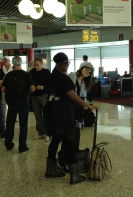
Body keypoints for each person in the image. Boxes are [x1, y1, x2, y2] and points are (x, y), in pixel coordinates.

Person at [45, 52, 99, 185]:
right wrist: (87, 105)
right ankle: (74, 175)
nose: (66, 66)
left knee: (56, 139)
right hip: (65, 111)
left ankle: (50, 169)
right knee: (69, 140)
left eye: (67, 63)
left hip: (58, 110)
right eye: (63, 64)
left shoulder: (55, 74)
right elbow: (72, 96)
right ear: (57, 64)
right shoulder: (62, 78)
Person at [57, 62, 94, 172]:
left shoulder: (85, 83)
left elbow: (84, 98)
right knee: (68, 136)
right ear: (82, 68)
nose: (87, 72)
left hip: (78, 112)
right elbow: (70, 94)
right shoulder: (72, 76)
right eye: (87, 69)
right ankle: (64, 160)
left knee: (75, 135)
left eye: (90, 71)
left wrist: (85, 105)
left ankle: (72, 159)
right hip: (68, 110)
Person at [2, 56, 35, 152]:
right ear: (21, 63)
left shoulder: (9, 75)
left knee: (10, 124)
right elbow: (32, 89)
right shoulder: (27, 75)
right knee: (23, 125)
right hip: (23, 103)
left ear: (13, 63)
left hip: (11, 104)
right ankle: (22, 146)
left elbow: (3, 90)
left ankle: (8, 144)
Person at [29, 58, 51, 142]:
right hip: (34, 96)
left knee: (46, 114)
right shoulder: (31, 72)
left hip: (44, 95)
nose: (35, 67)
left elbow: (50, 84)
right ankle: (40, 132)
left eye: (37, 65)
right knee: (37, 115)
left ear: (42, 64)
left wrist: (42, 87)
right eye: (34, 65)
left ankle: (47, 133)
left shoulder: (46, 72)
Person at [1, 56, 13, 122]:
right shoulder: (1, 69)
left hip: (12, 87)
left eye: (6, 60)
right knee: (4, 102)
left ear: (9, 61)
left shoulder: (13, 68)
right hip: (4, 86)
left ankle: (14, 117)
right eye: (4, 60)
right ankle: (4, 117)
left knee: (12, 102)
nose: (5, 61)